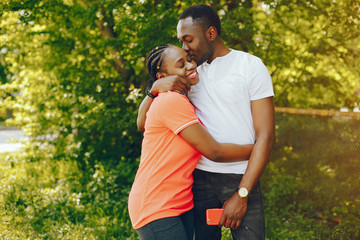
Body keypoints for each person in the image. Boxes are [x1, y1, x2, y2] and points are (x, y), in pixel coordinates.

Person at [137, 4, 275, 240]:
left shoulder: (250, 66)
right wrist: (153, 89)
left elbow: (266, 135)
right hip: (197, 181)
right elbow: (143, 122)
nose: (185, 48)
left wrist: (243, 193)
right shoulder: (189, 74)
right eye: (181, 41)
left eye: (188, 39)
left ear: (211, 33)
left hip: (239, 176)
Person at [128, 43, 256, 240]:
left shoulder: (183, 97)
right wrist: (258, 149)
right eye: (181, 65)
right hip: (155, 205)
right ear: (163, 76)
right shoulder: (171, 100)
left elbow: (142, 122)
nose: (190, 65)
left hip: (181, 203)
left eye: (189, 59)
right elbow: (214, 151)